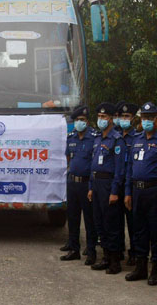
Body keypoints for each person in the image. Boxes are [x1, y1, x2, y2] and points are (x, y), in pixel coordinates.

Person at [124, 102, 157, 286]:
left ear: (156, 119)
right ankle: (140, 267)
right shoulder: (137, 139)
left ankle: (155, 270)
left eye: (150, 117)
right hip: (137, 191)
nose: (146, 120)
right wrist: (128, 193)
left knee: (156, 231)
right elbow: (130, 168)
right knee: (139, 231)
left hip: (156, 191)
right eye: (144, 117)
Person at [88, 102, 127, 275]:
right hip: (96, 184)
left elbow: (120, 169)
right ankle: (105, 257)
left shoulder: (117, 139)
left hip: (108, 185)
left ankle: (114, 260)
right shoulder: (97, 138)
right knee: (99, 222)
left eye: (104, 117)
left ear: (111, 118)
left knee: (111, 224)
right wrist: (90, 186)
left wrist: (114, 191)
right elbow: (93, 165)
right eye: (99, 116)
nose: (101, 119)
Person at [60, 105, 98, 265]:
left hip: (86, 184)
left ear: (87, 121)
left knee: (90, 220)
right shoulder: (72, 137)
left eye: (82, 120)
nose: (79, 123)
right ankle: (74, 249)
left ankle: (91, 251)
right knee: (73, 218)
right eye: (76, 120)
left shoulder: (94, 137)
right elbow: (68, 158)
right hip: (72, 183)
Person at [117, 102, 139, 266]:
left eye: (126, 116)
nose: (123, 119)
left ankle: (135, 253)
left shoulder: (137, 138)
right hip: (116, 185)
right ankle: (118, 250)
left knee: (133, 223)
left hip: (130, 185)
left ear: (132, 119)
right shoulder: (116, 136)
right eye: (121, 116)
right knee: (116, 221)